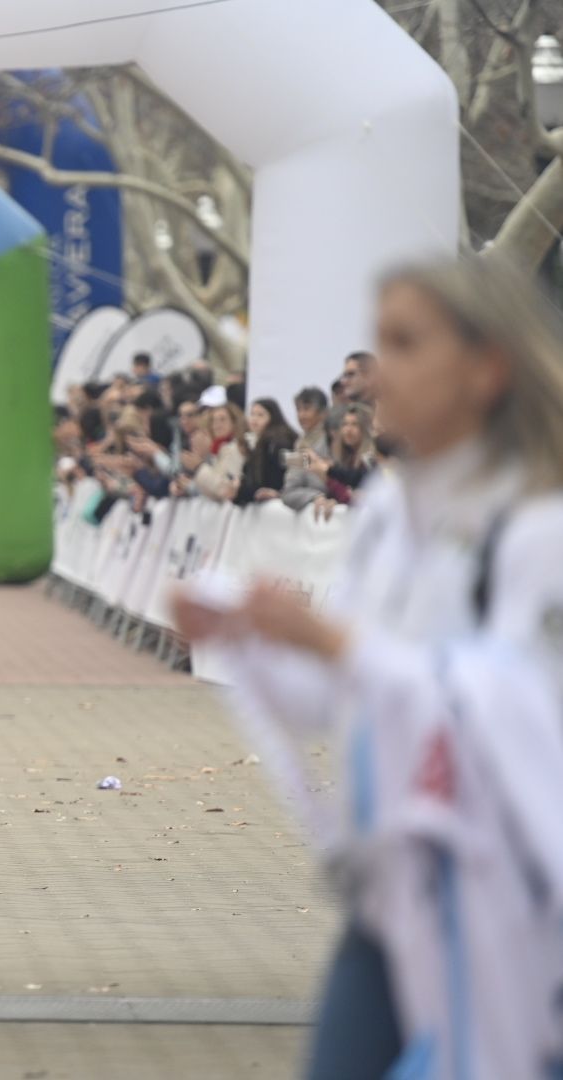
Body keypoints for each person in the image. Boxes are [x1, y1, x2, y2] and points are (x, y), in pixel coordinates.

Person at [173, 256, 563, 1078]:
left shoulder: (538, 525)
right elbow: (330, 698)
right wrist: (253, 636)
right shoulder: (389, 512)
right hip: (396, 893)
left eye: (406, 343)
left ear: (487, 366)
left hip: (523, 906)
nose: (377, 375)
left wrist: (336, 646)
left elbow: (524, 717)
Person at [307, 403, 377, 520]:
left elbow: (354, 497)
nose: (348, 430)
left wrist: (326, 477)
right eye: (345, 424)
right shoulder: (344, 457)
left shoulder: (370, 459)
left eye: (355, 425)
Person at [235, 397, 299, 506]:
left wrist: (281, 492)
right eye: (252, 414)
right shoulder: (256, 444)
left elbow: (301, 463)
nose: (254, 419)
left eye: (260, 415)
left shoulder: (278, 442)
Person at [176, 403, 246, 501]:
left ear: (234, 423)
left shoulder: (236, 448)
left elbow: (225, 489)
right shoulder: (218, 451)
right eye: (214, 421)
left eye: (222, 419)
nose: (217, 425)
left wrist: (199, 467)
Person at [283, 387, 333, 512]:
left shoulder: (331, 439)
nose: (301, 415)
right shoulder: (300, 442)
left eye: (306, 409)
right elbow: (291, 486)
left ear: (323, 413)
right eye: (298, 410)